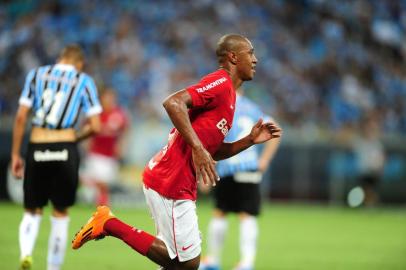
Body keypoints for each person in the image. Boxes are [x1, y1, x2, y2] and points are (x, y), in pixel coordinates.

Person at [71, 34, 281, 270]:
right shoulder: (221, 83)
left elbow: (212, 149)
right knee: (187, 264)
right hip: (171, 179)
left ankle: (108, 223)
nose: (255, 60)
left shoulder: (230, 96)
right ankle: (109, 224)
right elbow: (173, 103)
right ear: (233, 57)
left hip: (174, 178)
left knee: (174, 263)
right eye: (250, 53)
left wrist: (249, 141)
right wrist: (198, 148)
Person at [11, 44, 102, 270]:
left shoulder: (36, 75)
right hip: (65, 146)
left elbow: (21, 117)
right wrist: (75, 138)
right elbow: (96, 126)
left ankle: (26, 253)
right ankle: (53, 267)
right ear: (79, 63)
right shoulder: (84, 81)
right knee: (60, 211)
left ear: (60, 58)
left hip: (38, 143)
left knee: (33, 209)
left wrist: (15, 154)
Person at [199, 90, 281, 270]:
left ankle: (213, 259)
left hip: (227, 165)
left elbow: (211, 139)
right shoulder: (253, 108)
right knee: (247, 214)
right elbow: (275, 129)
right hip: (248, 167)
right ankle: (246, 262)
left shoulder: (222, 108)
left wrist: (204, 171)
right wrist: (264, 160)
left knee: (220, 212)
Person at [81, 88, 129, 206]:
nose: (109, 100)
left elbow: (125, 131)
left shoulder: (119, 113)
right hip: (96, 153)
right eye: (107, 97)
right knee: (101, 183)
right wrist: (86, 144)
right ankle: (103, 205)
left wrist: (121, 146)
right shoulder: (95, 114)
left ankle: (100, 205)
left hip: (111, 155)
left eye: (112, 97)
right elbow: (85, 129)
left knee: (104, 183)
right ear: (101, 99)